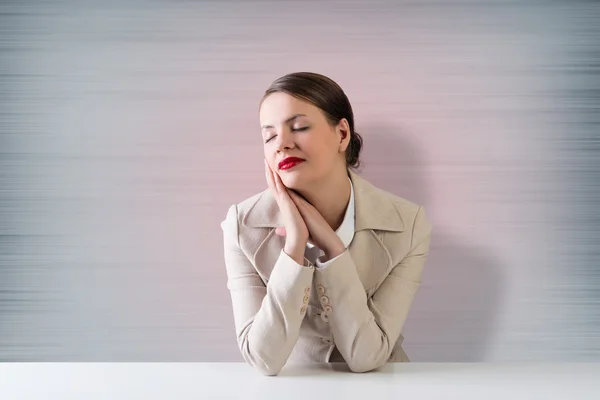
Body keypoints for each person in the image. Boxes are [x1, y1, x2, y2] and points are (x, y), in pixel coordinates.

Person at [220, 72, 432, 376]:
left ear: (342, 134)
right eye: (268, 136)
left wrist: (332, 248)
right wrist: (294, 246)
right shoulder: (243, 225)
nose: (281, 144)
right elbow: (263, 358)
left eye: (299, 127)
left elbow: (367, 357)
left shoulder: (408, 225)